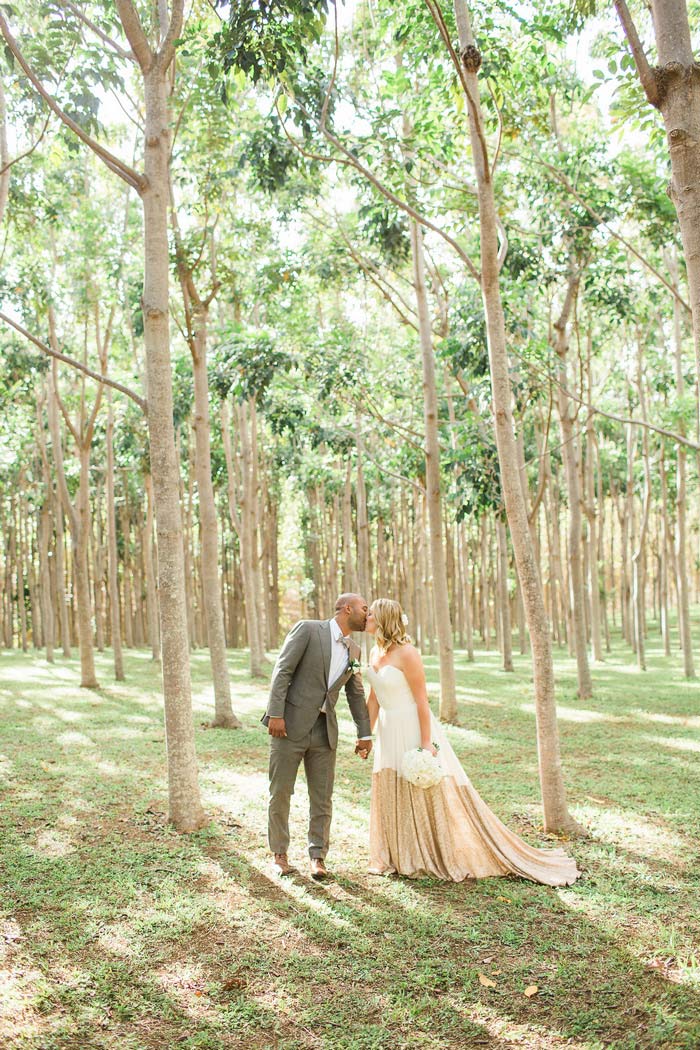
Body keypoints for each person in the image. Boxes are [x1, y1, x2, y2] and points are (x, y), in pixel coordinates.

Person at [363, 598, 580, 886]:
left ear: (383, 619)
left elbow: (421, 700)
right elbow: (374, 698)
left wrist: (426, 743)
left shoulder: (408, 653)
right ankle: (401, 854)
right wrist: (366, 734)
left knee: (422, 788)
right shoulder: (375, 652)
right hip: (388, 730)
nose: (365, 619)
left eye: (370, 615)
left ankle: (429, 852)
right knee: (393, 783)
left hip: (412, 726)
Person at [262, 593, 372, 880]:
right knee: (281, 792)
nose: (367, 613)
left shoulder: (355, 651)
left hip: (325, 732)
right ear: (348, 608)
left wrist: (365, 733)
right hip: (288, 727)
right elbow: (282, 671)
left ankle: (317, 857)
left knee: (322, 798)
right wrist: (275, 714)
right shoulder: (309, 629)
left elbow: (356, 694)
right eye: (364, 608)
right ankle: (279, 855)